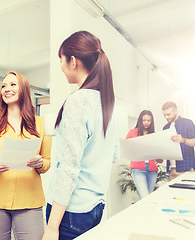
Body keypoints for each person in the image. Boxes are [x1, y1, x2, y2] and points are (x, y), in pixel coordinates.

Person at [43, 31, 119, 240]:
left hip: (70, 213)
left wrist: (51, 228)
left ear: (73, 61)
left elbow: (68, 168)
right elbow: (113, 154)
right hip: (95, 208)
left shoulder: (79, 100)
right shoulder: (108, 103)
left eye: (61, 60)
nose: (61, 66)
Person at [0, 71, 52, 240]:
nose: (6, 89)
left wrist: (40, 163)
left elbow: (47, 162)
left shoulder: (40, 123)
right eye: (3, 86)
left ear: (23, 89)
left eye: (12, 84)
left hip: (29, 200)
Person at [126, 110, 162, 199]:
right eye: (144, 120)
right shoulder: (132, 133)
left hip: (152, 170)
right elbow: (126, 150)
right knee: (145, 197)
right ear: (140, 120)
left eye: (149, 120)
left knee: (148, 198)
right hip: (138, 169)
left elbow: (160, 160)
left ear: (152, 121)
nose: (146, 123)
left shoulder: (154, 135)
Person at [162, 101, 195, 180]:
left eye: (168, 114)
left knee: (189, 192)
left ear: (176, 111)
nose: (166, 117)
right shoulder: (165, 128)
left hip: (186, 169)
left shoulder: (187, 123)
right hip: (172, 171)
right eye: (164, 115)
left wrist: (183, 140)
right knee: (173, 193)